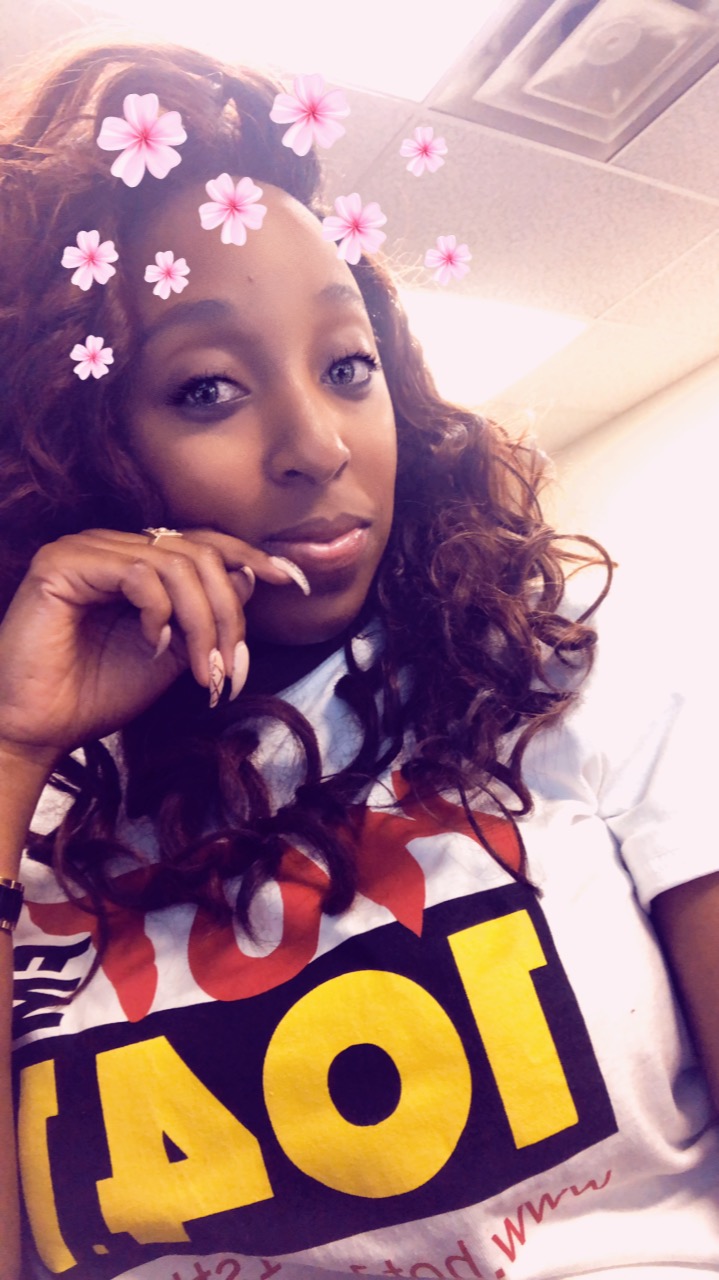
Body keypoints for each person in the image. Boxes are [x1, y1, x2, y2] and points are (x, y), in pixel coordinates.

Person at [0, 40, 717, 1280]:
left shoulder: (570, 681)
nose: (318, 444)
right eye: (208, 388)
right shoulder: (43, 816)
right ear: (85, 447)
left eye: (346, 366)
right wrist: (12, 750)